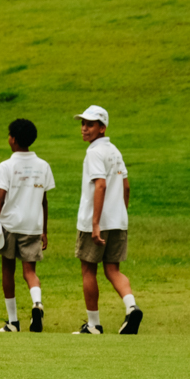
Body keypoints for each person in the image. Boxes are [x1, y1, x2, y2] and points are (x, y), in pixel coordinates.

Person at [73, 105, 143, 335]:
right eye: (83, 123)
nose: (84, 128)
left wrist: (95, 224)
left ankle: (93, 324)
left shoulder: (94, 152)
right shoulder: (114, 151)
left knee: (88, 270)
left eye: (90, 124)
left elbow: (100, 185)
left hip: (96, 222)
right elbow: (126, 186)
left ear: (102, 128)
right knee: (113, 269)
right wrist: (120, 213)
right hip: (117, 220)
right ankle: (131, 307)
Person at [0, 118, 54, 333]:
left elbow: (0, 200)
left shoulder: (6, 166)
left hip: (10, 225)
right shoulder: (43, 166)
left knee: (8, 271)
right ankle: (37, 303)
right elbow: (44, 201)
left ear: (12, 139)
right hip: (33, 225)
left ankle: (13, 322)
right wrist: (44, 230)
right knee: (29, 272)